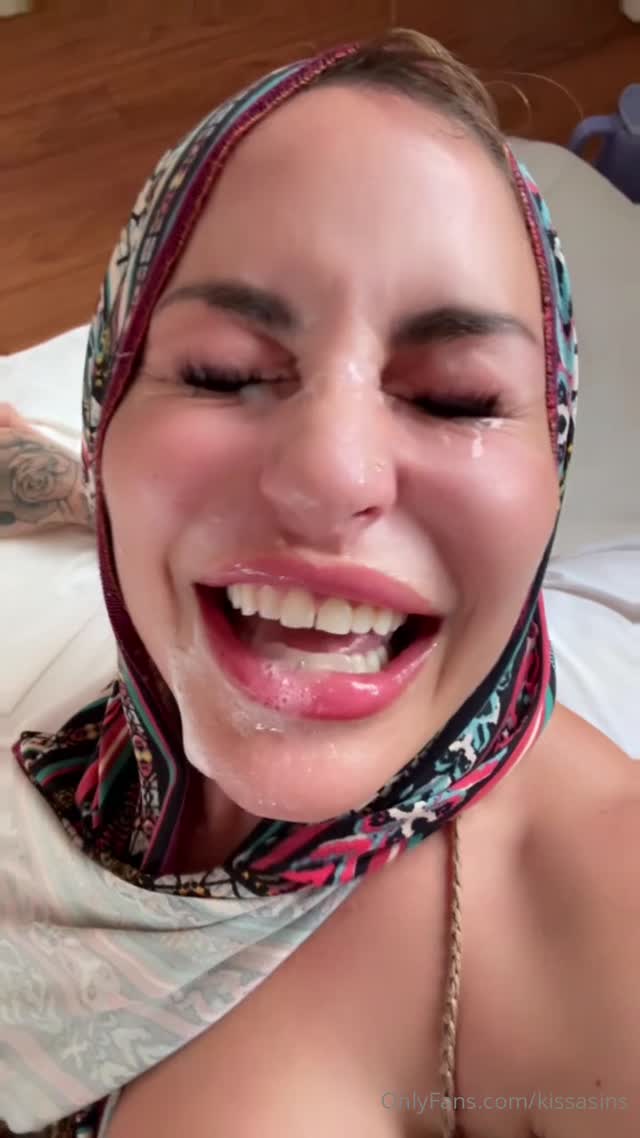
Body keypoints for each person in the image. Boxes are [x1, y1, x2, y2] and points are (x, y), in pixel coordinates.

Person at [1, 28, 638, 1138]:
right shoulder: (108, 746)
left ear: (556, 461)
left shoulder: (600, 909)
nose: (331, 476)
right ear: (108, 423)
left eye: (453, 398)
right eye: (223, 374)